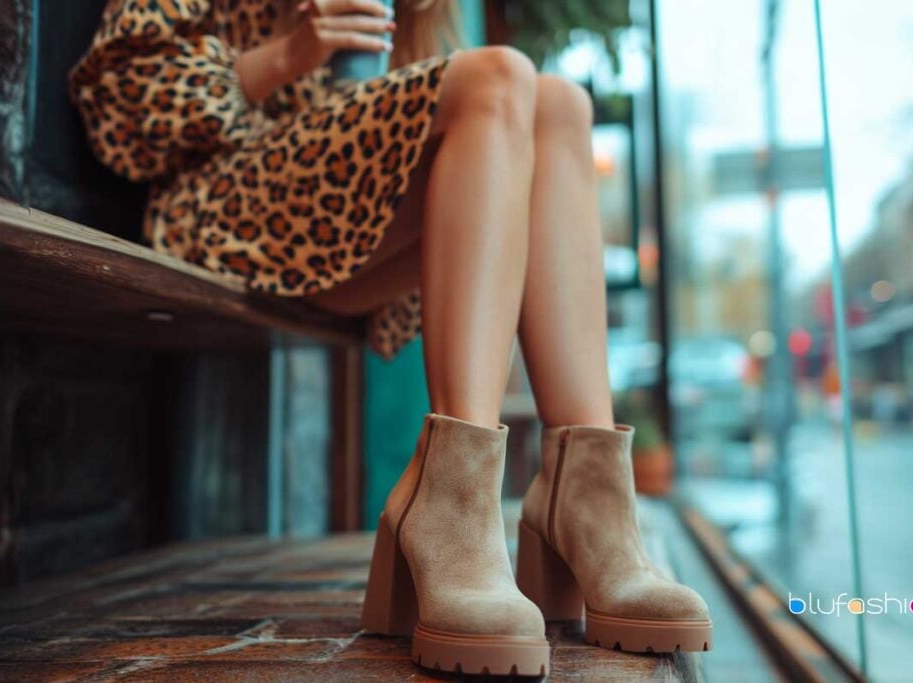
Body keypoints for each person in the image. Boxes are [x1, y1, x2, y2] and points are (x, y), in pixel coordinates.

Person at [69, 0, 712, 675]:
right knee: (498, 78)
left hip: (347, 239)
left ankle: (585, 494)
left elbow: (450, 150)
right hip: (219, 203)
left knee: (558, 106)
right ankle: (451, 497)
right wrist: (288, 55)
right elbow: (119, 107)